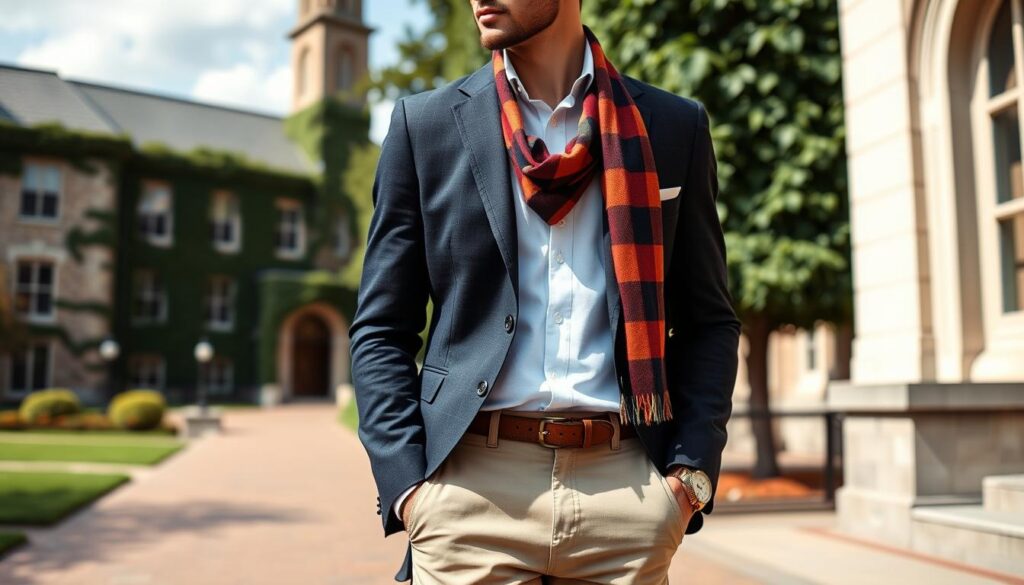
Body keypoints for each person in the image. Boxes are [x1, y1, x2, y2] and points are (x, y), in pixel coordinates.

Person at [348, 0, 741, 582]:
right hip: (470, 496)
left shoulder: (671, 126)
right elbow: (380, 327)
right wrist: (411, 487)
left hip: (627, 499)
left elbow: (709, 321)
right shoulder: (424, 126)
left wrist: (689, 480)